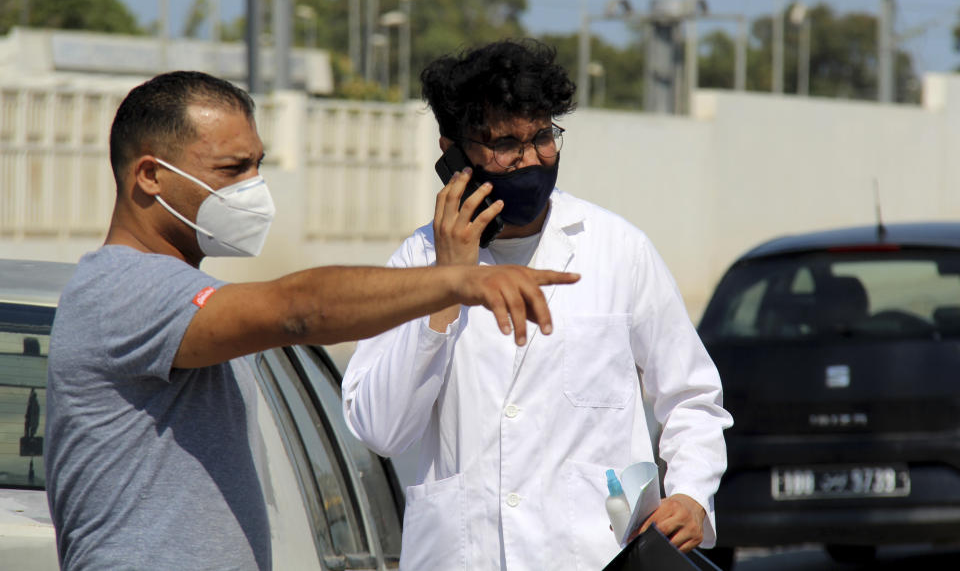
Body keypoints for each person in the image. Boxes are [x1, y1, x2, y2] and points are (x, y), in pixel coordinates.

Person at [44, 70, 578, 571]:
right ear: (151, 176)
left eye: (257, 165)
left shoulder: (175, 295)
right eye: (232, 170)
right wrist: (459, 281)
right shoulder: (124, 290)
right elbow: (297, 311)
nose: (253, 187)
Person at [341, 40, 733, 570]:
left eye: (543, 137)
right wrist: (448, 285)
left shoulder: (617, 250)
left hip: (597, 558)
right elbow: (380, 429)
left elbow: (691, 396)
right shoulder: (416, 262)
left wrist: (690, 494)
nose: (529, 158)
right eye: (505, 143)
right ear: (453, 152)